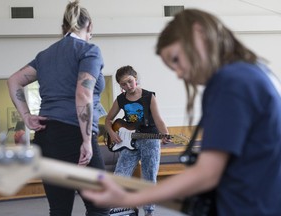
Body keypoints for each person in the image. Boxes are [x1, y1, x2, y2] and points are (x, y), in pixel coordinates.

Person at [81, 9, 281, 216]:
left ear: (198, 34)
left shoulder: (231, 82)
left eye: (176, 59)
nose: (178, 73)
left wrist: (130, 198)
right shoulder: (253, 70)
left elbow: (207, 173)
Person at [7, 1, 109, 215]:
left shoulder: (45, 55)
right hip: (75, 134)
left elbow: (14, 80)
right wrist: (86, 140)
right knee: (99, 206)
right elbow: (83, 93)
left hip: (46, 137)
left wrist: (27, 117)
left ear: (64, 27)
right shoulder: (89, 50)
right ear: (89, 25)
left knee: (60, 209)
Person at [104, 65, 170, 216]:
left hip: (150, 140)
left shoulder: (149, 96)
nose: (127, 86)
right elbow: (108, 120)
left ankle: (149, 211)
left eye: (129, 81)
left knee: (148, 176)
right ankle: (118, 207)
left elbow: (159, 120)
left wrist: (165, 134)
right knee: (120, 174)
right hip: (128, 140)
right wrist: (112, 134)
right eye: (123, 84)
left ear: (136, 79)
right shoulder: (120, 99)